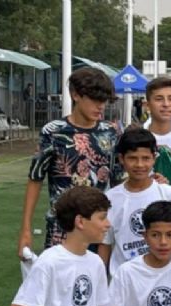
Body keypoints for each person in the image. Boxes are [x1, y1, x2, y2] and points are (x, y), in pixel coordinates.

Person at [19, 67, 122, 258]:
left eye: (104, 101)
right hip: (62, 229)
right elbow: (35, 179)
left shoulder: (111, 132)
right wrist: (26, 229)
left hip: (100, 229)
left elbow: (119, 179)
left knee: (98, 275)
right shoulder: (53, 132)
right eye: (94, 99)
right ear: (75, 95)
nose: (100, 106)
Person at [98, 128, 171, 274]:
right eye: (132, 158)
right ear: (121, 158)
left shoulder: (169, 194)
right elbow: (105, 244)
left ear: (154, 158)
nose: (139, 165)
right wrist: (101, 280)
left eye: (146, 158)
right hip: (124, 279)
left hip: (162, 277)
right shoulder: (110, 198)